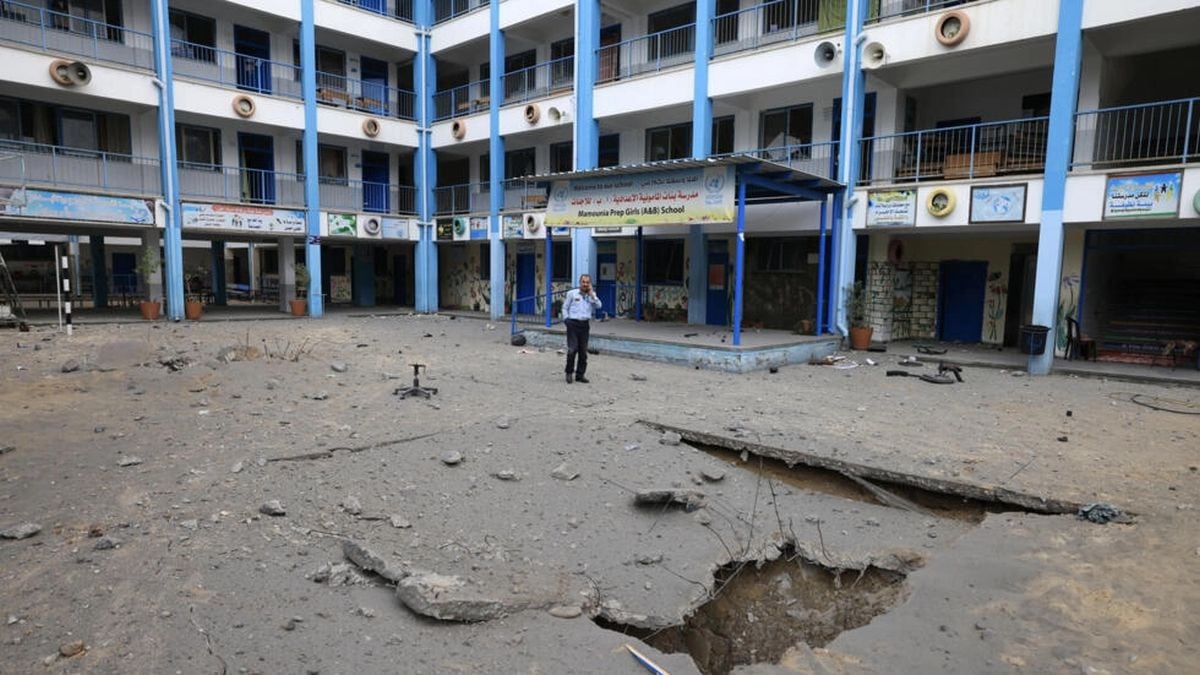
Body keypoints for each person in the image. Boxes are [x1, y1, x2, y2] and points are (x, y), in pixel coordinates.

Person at [561, 274, 602, 383]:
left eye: (587, 282)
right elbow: (565, 307)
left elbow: (599, 306)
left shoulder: (592, 295)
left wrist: (592, 295)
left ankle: (580, 375)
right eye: (583, 282)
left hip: (584, 325)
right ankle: (569, 372)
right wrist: (566, 320)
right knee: (572, 350)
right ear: (580, 283)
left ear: (590, 284)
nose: (585, 284)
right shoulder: (572, 294)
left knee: (583, 352)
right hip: (573, 324)